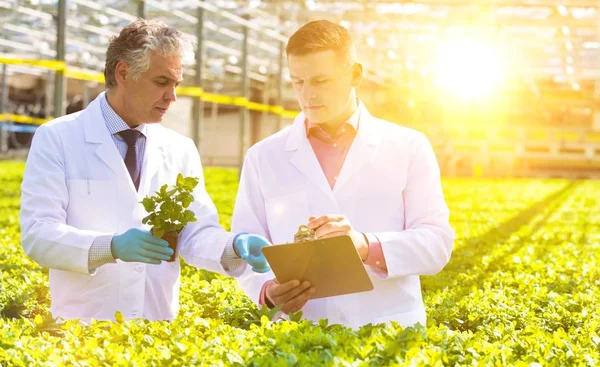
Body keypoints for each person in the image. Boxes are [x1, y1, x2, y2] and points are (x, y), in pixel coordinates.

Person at [19, 19, 270, 324]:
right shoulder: (57, 138)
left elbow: (194, 234)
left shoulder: (179, 149)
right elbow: (38, 235)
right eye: (162, 82)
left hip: (157, 330)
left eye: (176, 84)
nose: (172, 97)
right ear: (123, 73)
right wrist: (110, 247)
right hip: (82, 330)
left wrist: (234, 247)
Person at [231, 20, 454, 329]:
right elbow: (246, 247)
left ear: (355, 75)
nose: (307, 94)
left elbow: (436, 244)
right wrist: (266, 290)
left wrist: (365, 245)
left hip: (387, 332)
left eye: (321, 80)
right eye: (298, 82)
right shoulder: (264, 156)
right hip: (298, 333)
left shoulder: (408, 146)